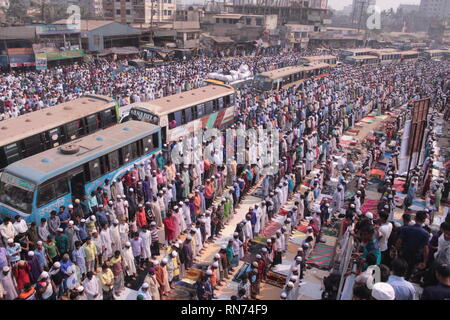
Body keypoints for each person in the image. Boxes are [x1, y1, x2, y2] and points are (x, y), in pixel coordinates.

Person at [396, 211, 429, 279]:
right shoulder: (425, 233)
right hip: (415, 256)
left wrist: (397, 251)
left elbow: (399, 241)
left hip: (404, 253)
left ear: (415, 218)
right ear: (424, 220)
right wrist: (424, 261)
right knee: (409, 272)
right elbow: (425, 249)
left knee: (399, 270)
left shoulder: (406, 229)